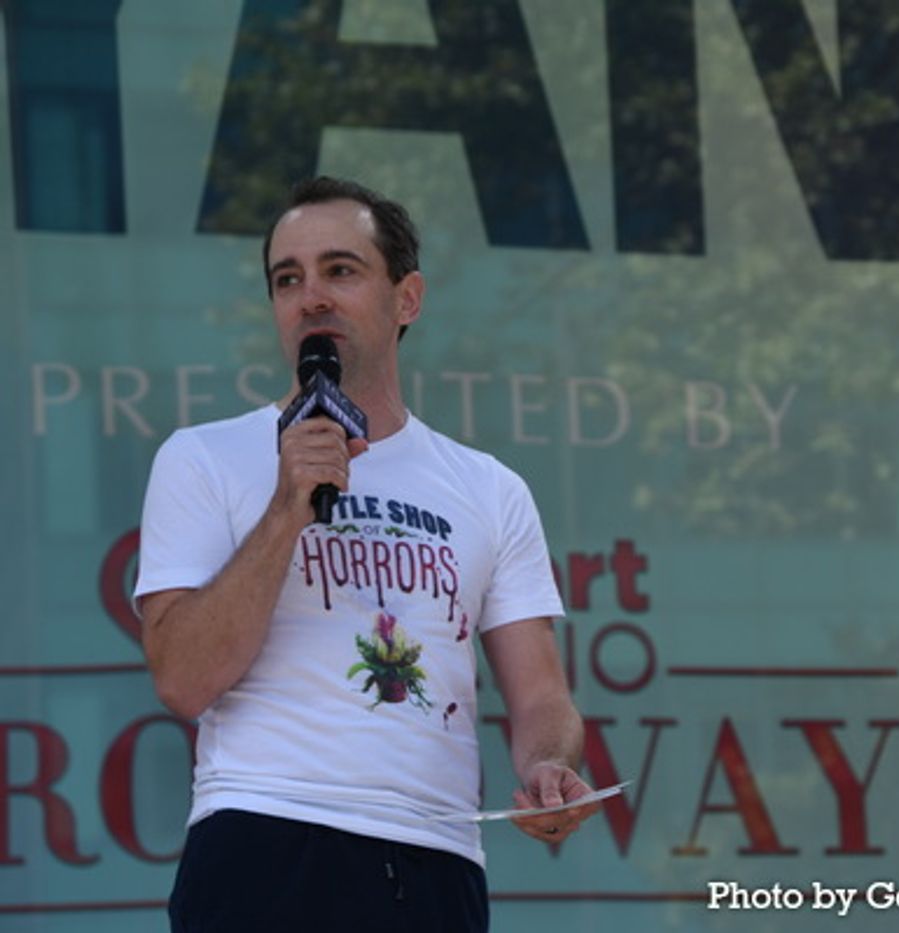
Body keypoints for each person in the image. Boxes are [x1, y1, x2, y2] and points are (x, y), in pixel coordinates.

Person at [135, 176, 598, 932]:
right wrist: (290, 502)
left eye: (340, 270)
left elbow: (542, 694)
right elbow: (183, 679)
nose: (311, 296)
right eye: (289, 279)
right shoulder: (204, 459)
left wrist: (550, 766)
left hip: (439, 859)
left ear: (406, 299)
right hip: (267, 840)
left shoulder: (489, 487)